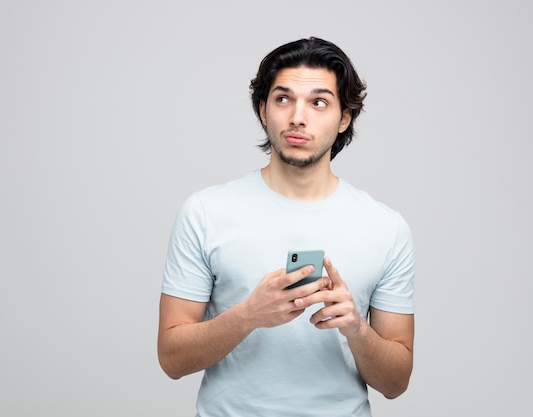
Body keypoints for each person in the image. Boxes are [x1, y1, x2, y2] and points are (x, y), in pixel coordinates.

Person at [157, 36, 415, 417]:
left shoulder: (386, 228)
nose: (298, 116)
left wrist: (357, 329)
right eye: (283, 99)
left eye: (319, 102)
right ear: (263, 110)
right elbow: (171, 359)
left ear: (344, 118)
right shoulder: (206, 212)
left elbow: (396, 383)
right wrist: (249, 315)